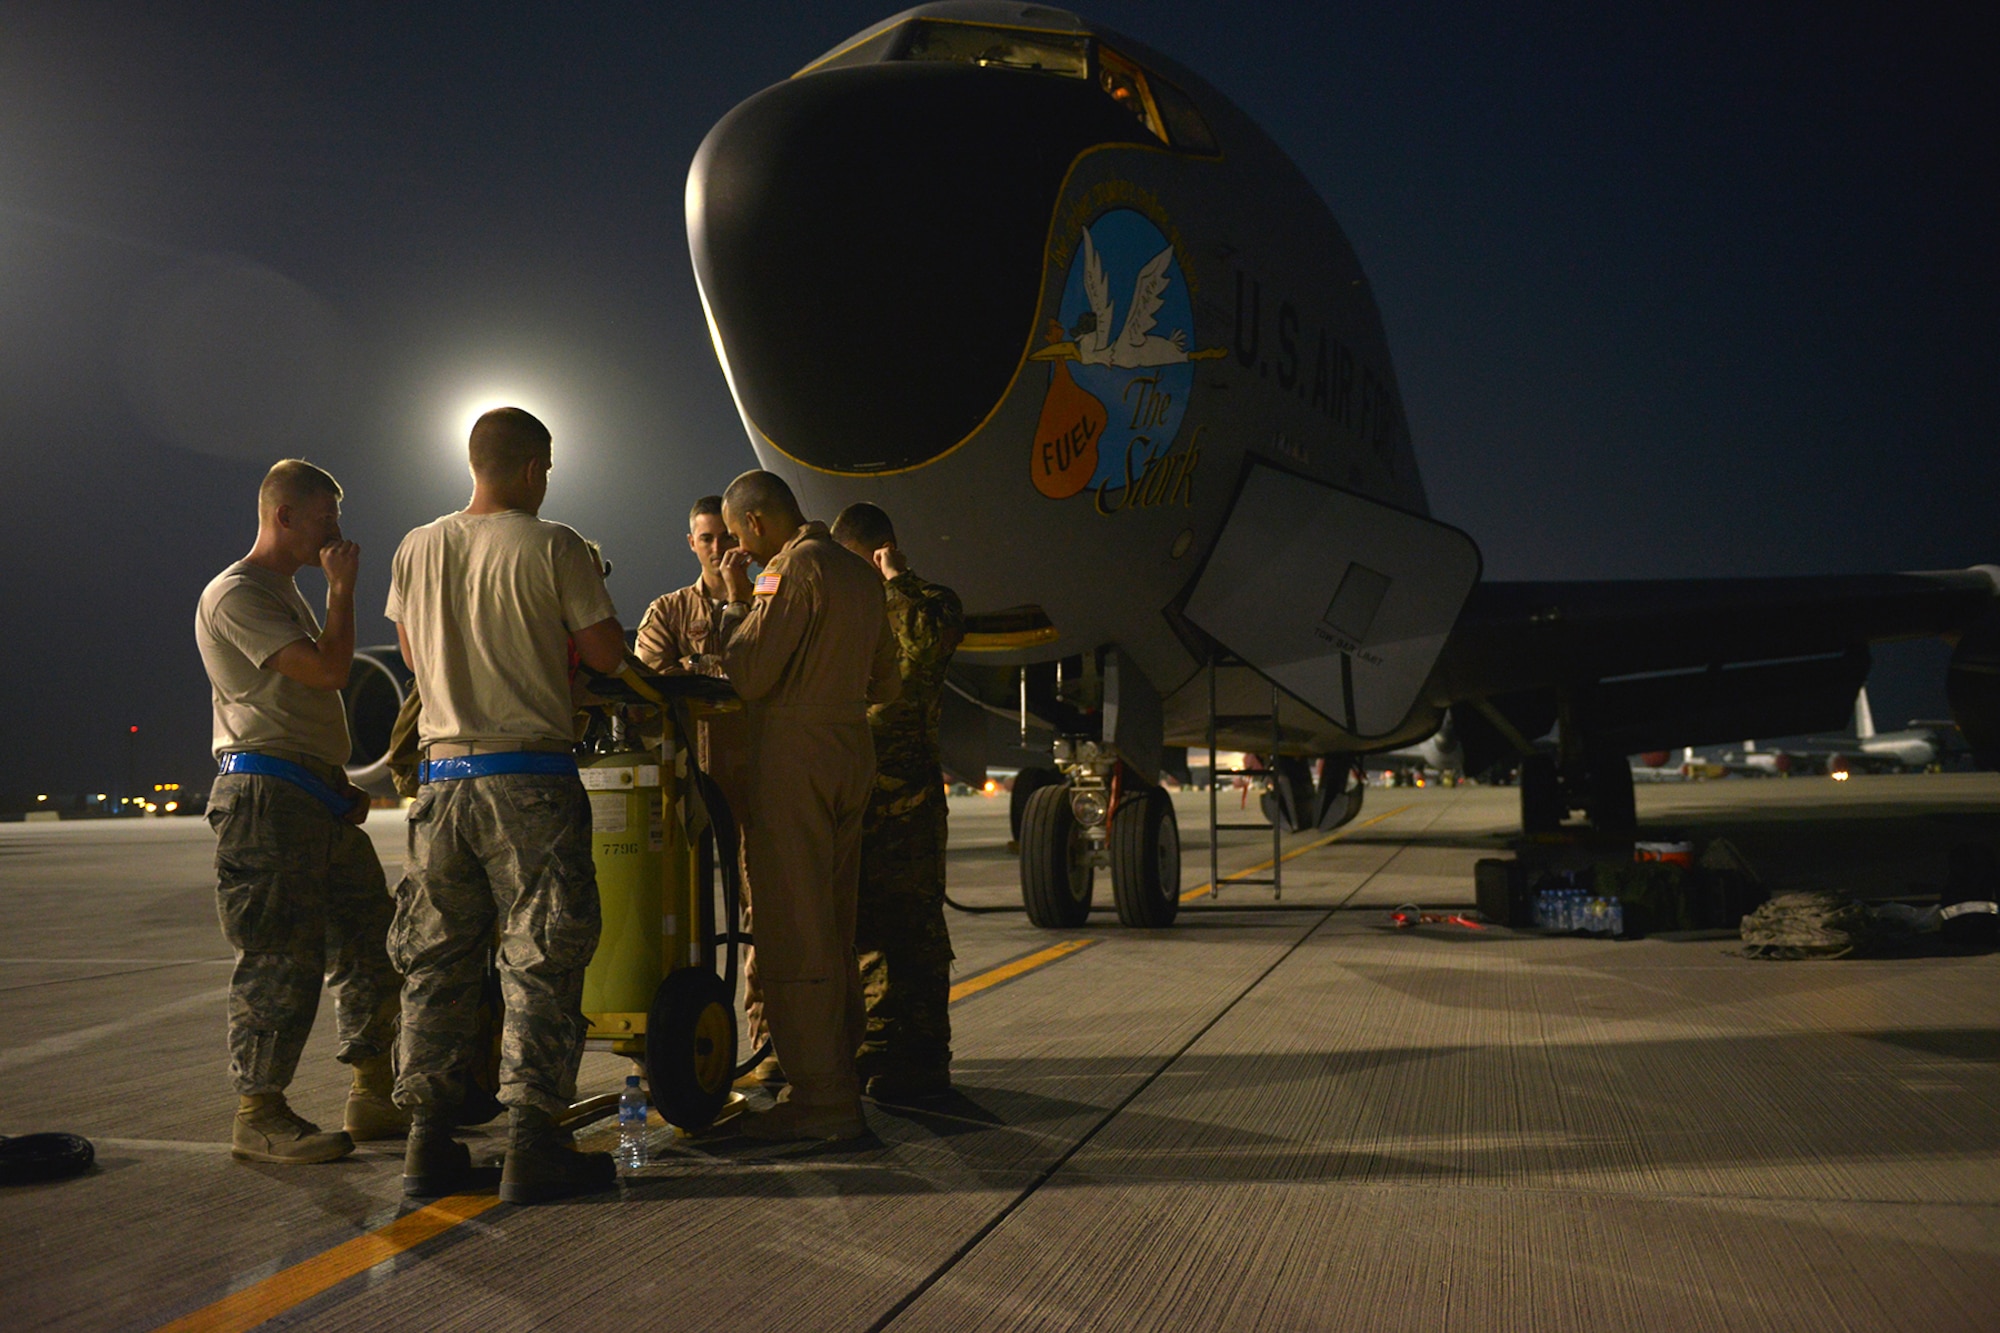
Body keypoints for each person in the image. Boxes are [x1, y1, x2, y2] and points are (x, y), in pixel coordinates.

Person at [385, 406, 626, 1204]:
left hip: (441, 781)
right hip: (528, 778)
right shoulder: (555, 544)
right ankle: (532, 1143)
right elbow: (606, 653)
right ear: (530, 468)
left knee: (437, 962)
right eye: (545, 469)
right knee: (541, 958)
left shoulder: (417, 547)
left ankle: (427, 1140)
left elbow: (414, 655)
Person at [194, 459, 403, 1164]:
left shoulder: (282, 592)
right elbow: (328, 672)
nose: (337, 533)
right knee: (280, 958)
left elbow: (304, 701)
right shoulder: (236, 593)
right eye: (325, 519)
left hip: (314, 795)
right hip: (267, 800)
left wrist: (337, 783)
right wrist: (342, 589)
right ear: (284, 516)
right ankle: (259, 1113)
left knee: (371, 941)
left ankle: (372, 1091)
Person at [714, 470, 899, 1141]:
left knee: (794, 926)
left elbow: (750, 671)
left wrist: (735, 605)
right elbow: (888, 682)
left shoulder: (789, 571)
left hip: (795, 754)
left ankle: (821, 1099)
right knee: (834, 923)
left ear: (756, 522)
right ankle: (837, 1074)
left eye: (738, 535)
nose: (742, 548)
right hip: (851, 747)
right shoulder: (857, 573)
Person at [632, 496, 772, 1080]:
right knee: (674, 916)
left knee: (762, 914)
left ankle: (769, 1042)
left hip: (756, 780)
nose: (717, 548)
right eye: (706, 538)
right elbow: (645, 686)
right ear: (691, 543)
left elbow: (764, 673)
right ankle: (673, 1043)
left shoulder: (767, 603)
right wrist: (704, 674)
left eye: (725, 537)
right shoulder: (668, 610)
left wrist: (701, 661)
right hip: (685, 785)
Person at [830, 502, 965, 1102]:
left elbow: (931, 644)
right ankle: (878, 1048)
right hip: (857, 793)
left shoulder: (929, 602)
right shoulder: (847, 611)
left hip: (910, 801)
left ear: (879, 552)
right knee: (865, 931)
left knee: (916, 933)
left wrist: (896, 581)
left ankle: (925, 1057)